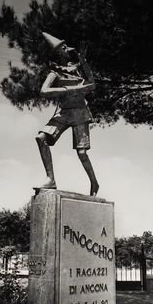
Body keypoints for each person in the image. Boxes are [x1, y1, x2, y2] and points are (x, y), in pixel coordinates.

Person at [36, 32, 99, 196]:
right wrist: (70, 89)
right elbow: (43, 91)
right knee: (41, 138)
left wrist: (83, 60)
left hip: (79, 112)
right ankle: (50, 179)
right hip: (64, 112)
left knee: (82, 153)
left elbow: (92, 85)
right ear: (57, 53)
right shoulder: (55, 73)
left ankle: (94, 182)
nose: (66, 48)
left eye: (65, 45)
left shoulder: (79, 68)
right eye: (62, 47)